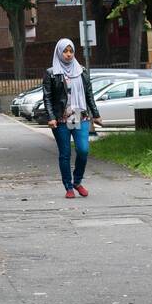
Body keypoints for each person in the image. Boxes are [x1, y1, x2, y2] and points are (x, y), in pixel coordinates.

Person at [42, 38, 102, 199]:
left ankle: (77, 181)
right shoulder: (51, 73)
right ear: (59, 52)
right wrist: (51, 117)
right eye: (65, 51)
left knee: (83, 150)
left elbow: (89, 94)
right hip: (60, 118)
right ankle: (68, 186)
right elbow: (47, 97)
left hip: (79, 115)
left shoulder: (81, 70)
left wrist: (95, 114)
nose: (68, 54)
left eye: (71, 51)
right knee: (65, 153)